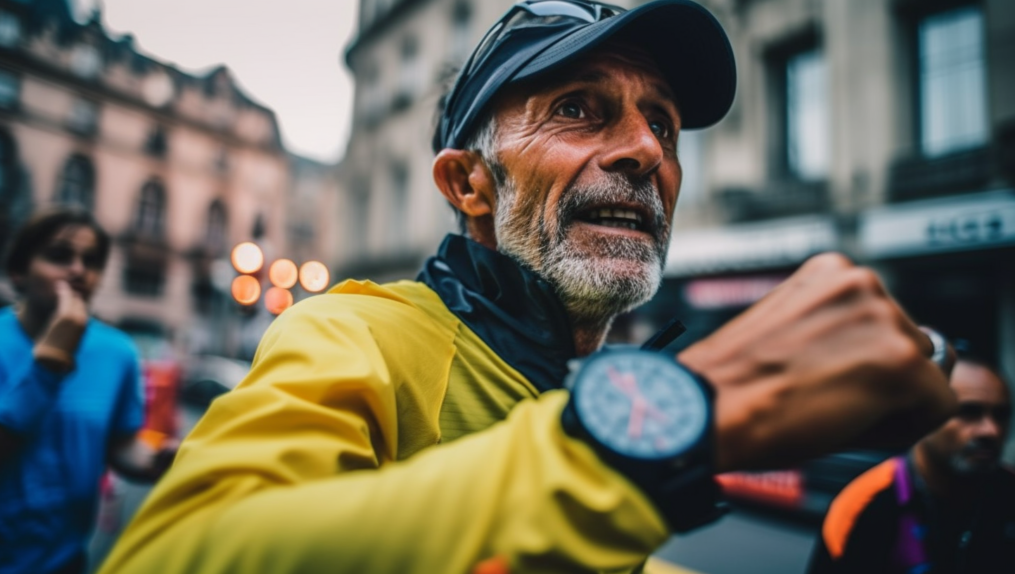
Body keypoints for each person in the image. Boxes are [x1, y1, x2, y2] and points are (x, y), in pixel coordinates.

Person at [100, 2, 956, 573]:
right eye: (580, 109)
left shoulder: (580, 379)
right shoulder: (357, 334)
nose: (647, 151)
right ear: (469, 184)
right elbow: (166, 554)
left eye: (662, 122)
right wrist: (665, 420)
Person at [0, 208, 175, 574]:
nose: (77, 271)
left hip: (68, 560)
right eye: (59, 256)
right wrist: (49, 364)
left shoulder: (117, 351)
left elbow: (120, 442)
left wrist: (157, 461)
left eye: (91, 262)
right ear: (19, 271)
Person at [808, 352, 1015, 574]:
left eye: (1001, 415)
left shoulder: (1008, 492)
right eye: (969, 412)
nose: (991, 430)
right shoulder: (863, 506)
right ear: (923, 416)